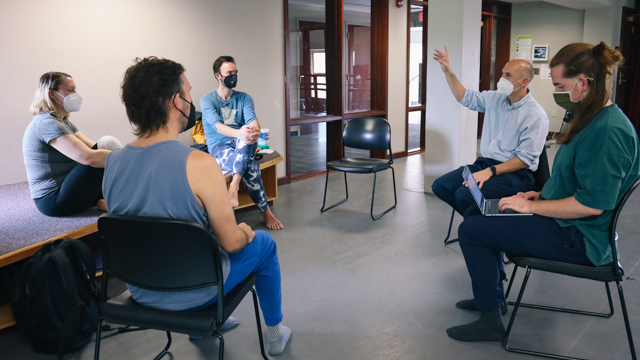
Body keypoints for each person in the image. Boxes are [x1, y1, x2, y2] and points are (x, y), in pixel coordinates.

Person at [446, 42, 639, 342]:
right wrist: (539, 197)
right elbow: (571, 180)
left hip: (579, 238)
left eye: (560, 85)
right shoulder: (590, 120)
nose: (557, 92)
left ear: (583, 83)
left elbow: (592, 206)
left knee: (472, 229)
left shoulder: (607, 132)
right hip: (567, 224)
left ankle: (490, 318)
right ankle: (492, 297)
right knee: (475, 211)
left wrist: (532, 208)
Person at [103, 57, 291, 356]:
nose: (193, 102)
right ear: (176, 102)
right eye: (189, 94)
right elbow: (230, 243)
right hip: (196, 292)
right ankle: (275, 332)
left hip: (139, 289)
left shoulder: (113, 162)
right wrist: (244, 230)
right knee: (264, 243)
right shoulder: (199, 164)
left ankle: (198, 330)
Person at [431, 46, 549, 215]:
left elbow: (525, 160)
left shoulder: (535, 115)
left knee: (465, 195)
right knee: (441, 186)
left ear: (524, 82)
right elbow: (465, 97)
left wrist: (490, 172)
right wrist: (448, 72)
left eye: (508, 75)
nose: (502, 79)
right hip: (485, 163)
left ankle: (479, 226)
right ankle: (481, 220)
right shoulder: (495, 98)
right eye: (502, 73)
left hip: (515, 174)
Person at [200, 56, 283, 230]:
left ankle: (234, 184)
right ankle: (266, 212)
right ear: (218, 76)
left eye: (236, 72)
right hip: (220, 148)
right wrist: (240, 133)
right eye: (229, 73)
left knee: (248, 133)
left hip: (244, 144)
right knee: (251, 167)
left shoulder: (244, 98)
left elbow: (252, 119)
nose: (234, 76)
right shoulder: (207, 100)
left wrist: (254, 130)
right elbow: (217, 127)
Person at [23, 72, 122, 217]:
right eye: (70, 90)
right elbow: (89, 158)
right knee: (107, 147)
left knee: (107, 144)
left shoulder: (63, 122)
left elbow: (96, 146)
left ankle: (108, 200)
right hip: (53, 200)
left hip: (69, 190)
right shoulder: (46, 123)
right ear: (52, 94)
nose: (76, 94)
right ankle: (124, 198)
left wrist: (124, 157)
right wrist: (127, 158)